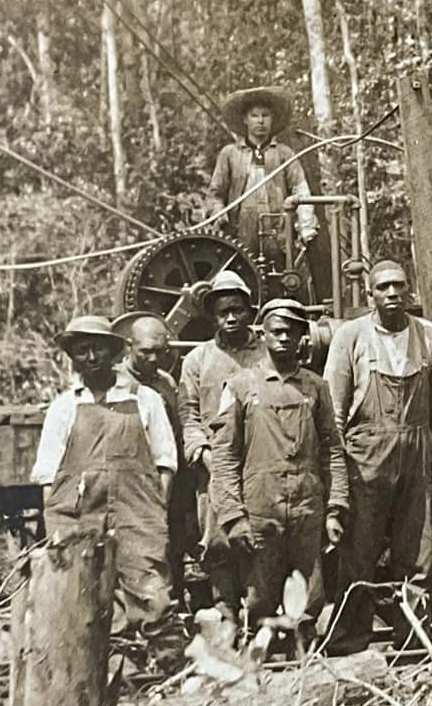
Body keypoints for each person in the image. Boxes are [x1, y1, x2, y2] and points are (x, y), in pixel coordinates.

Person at [322, 259, 432, 653]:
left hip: (415, 455)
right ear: (370, 294)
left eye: (399, 285)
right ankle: (350, 641)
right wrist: (338, 473)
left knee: (418, 554)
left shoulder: (428, 335)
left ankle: (414, 640)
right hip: (365, 456)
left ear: (410, 288)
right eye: (383, 287)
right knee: (358, 552)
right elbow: (333, 408)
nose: (393, 293)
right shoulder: (351, 336)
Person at [208, 297, 349, 634]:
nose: (284, 338)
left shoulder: (316, 387)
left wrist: (335, 508)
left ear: (303, 337)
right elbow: (225, 456)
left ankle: (307, 671)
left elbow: (332, 449)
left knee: (311, 598)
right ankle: (263, 668)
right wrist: (232, 516)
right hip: (261, 509)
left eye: (292, 332)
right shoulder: (240, 386)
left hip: (307, 508)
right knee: (260, 599)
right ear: (263, 334)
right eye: (277, 331)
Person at [32, 315, 179, 634]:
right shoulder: (63, 408)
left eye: (98, 349)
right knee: (83, 601)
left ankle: (158, 675)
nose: (92, 357)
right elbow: (48, 478)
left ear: (114, 352)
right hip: (79, 519)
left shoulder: (144, 399)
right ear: (73, 357)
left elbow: (165, 463)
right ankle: (107, 674)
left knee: (151, 598)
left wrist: (154, 513)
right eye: (83, 350)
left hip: (137, 516)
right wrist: (60, 527)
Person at [177, 269, 266, 616]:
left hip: (259, 463)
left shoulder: (265, 354)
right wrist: (204, 455)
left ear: (249, 312)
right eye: (222, 311)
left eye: (237, 310)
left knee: (259, 538)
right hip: (213, 467)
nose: (230, 317)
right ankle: (225, 607)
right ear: (212, 316)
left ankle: (260, 616)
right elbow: (189, 416)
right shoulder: (197, 360)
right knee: (217, 541)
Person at [118, 313, 193, 605]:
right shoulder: (118, 384)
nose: (152, 358)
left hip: (168, 480)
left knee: (172, 548)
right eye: (144, 352)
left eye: (159, 352)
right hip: (132, 485)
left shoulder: (166, 382)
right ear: (129, 347)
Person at [210, 86, 320, 275]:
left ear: (272, 119)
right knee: (242, 279)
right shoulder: (230, 154)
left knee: (285, 280)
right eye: (254, 115)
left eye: (265, 115)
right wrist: (218, 210)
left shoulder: (284, 153)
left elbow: (301, 191)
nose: (260, 121)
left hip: (278, 233)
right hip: (240, 234)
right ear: (245, 119)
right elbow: (215, 192)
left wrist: (306, 226)